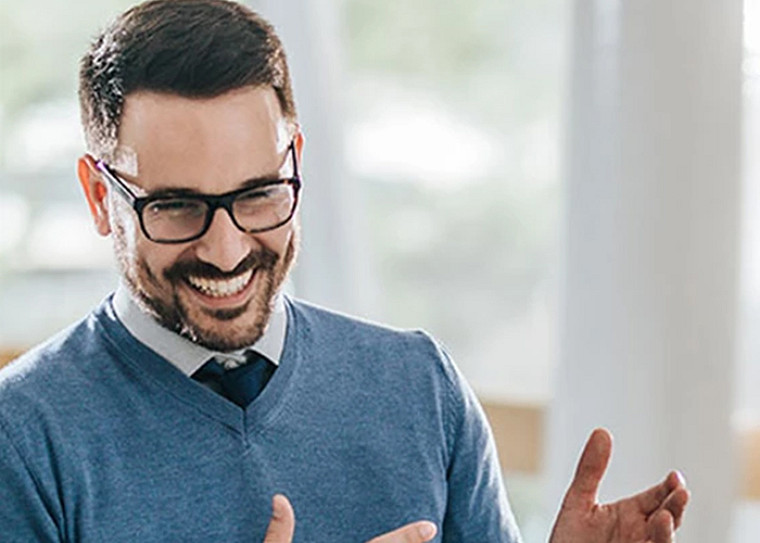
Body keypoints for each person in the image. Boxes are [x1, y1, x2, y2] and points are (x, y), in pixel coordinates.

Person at [0, 1, 689, 541]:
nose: (227, 248)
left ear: (296, 159)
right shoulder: (24, 436)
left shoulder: (421, 388)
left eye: (257, 194)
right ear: (99, 197)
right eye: (178, 207)